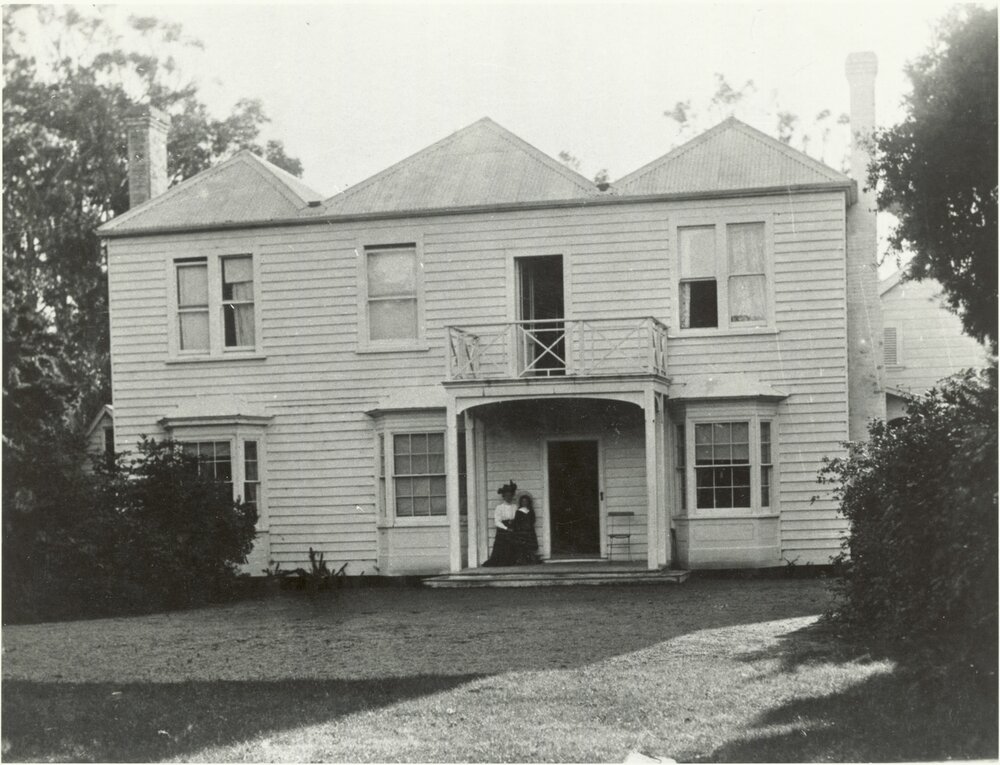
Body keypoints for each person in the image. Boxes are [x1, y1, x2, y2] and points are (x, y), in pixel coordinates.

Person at [482, 480, 518, 567]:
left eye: (510, 495)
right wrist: (506, 528)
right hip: (503, 529)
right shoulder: (499, 507)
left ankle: (512, 561)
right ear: (503, 496)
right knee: (502, 547)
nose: (509, 497)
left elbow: (517, 518)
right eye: (507, 496)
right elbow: (497, 521)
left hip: (513, 527)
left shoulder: (515, 506)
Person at [511, 493, 540, 564]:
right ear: (521, 502)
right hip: (522, 531)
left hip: (530, 530)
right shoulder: (519, 511)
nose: (524, 503)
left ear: (528, 502)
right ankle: (522, 560)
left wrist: (529, 525)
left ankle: (531, 559)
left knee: (530, 545)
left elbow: (533, 520)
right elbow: (516, 521)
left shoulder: (530, 511)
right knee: (522, 545)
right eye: (523, 501)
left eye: (526, 501)